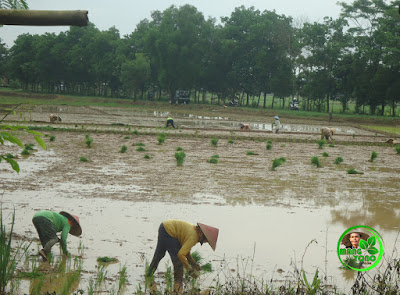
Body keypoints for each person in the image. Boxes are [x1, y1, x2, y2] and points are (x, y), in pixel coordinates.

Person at [146, 220, 219, 294]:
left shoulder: (193, 231)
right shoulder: (194, 237)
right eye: (205, 240)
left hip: (164, 227)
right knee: (178, 262)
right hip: (170, 232)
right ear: (201, 234)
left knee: (159, 254)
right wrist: (189, 269)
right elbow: (181, 254)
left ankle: (148, 275)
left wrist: (194, 263)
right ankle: (177, 287)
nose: (203, 242)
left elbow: (185, 251)